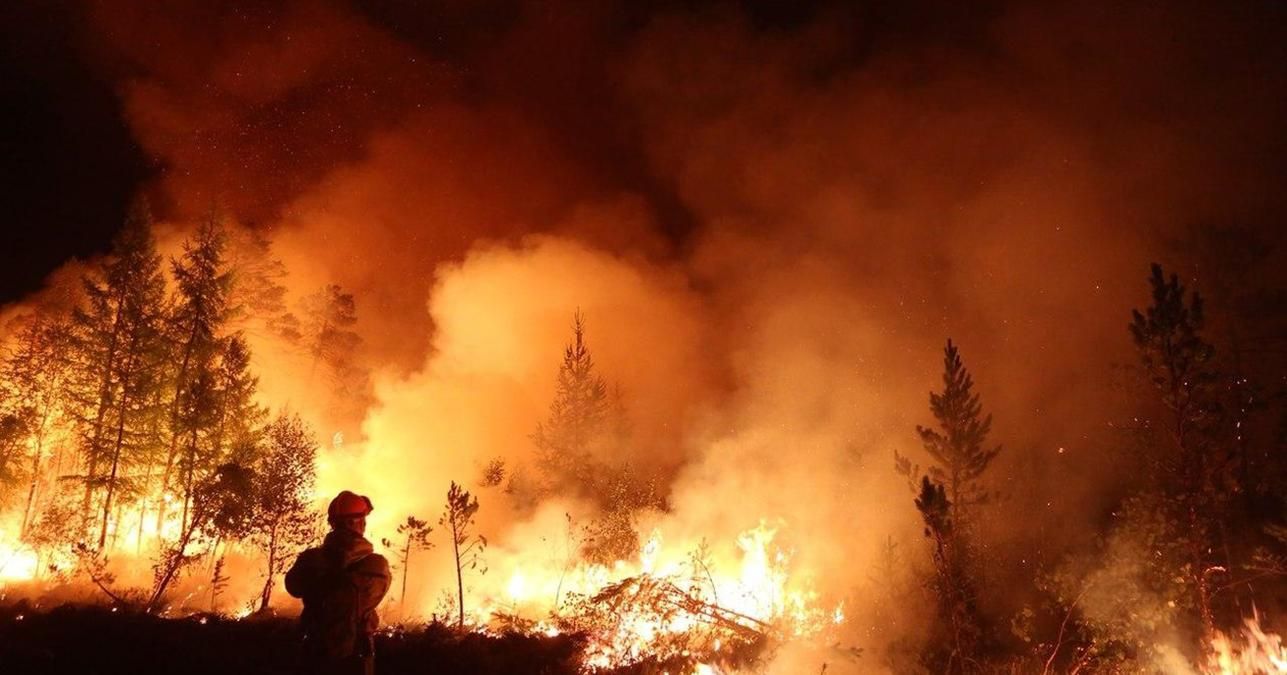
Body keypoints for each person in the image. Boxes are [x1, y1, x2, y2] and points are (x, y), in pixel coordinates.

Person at [286, 490, 391, 675]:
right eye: (363, 519)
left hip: (314, 654)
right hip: (356, 658)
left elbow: (293, 586)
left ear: (332, 523)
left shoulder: (310, 561)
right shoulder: (376, 565)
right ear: (357, 523)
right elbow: (375, 594)